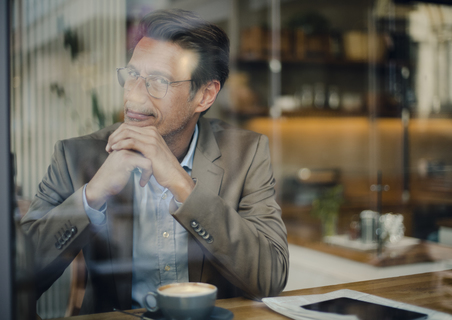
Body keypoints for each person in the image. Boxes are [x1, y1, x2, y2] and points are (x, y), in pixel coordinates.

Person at [21, 8, 289, 315]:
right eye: (133, 75)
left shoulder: (247, 154)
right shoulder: (75, 156)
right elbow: (18, 277)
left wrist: (183, 187)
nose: (133, 98)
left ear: (205, 95)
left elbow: (271, 278)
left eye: (158, 81)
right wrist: (91, 196)